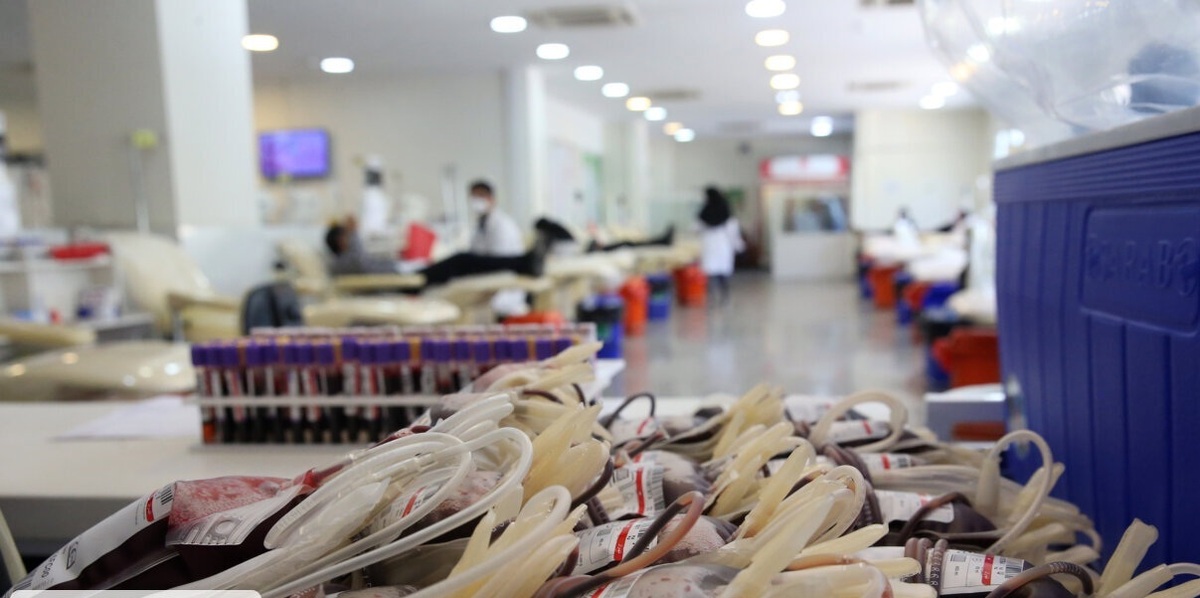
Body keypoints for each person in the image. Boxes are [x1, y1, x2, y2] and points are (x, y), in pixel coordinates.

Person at [324, 216, 544, 288]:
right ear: (340, 241)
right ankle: (522, 263)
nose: (353, 237)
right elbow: (360, 263)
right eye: (347, 235)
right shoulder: (341, 263)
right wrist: (354, 232)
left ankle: (522, 262)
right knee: (462, 259)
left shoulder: (350, 258)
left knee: (464, 262)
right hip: (408, 281)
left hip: (410, 272)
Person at [697, 186, 744, 305]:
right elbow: (733, 234)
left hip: (709, 247)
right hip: (723, 247)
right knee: (723, 275)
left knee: (710, 275)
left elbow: (695, 228)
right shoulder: (726, 213)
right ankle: (724, 298)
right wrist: (740, 247)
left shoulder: (705, 212)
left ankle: (711, 298)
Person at [468, 180, 524, 257]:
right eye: (474, 197)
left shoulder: (502, 224)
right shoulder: (481, 223)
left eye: (480, 196)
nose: (476, 201)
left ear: (491, 198)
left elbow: (498, 258)